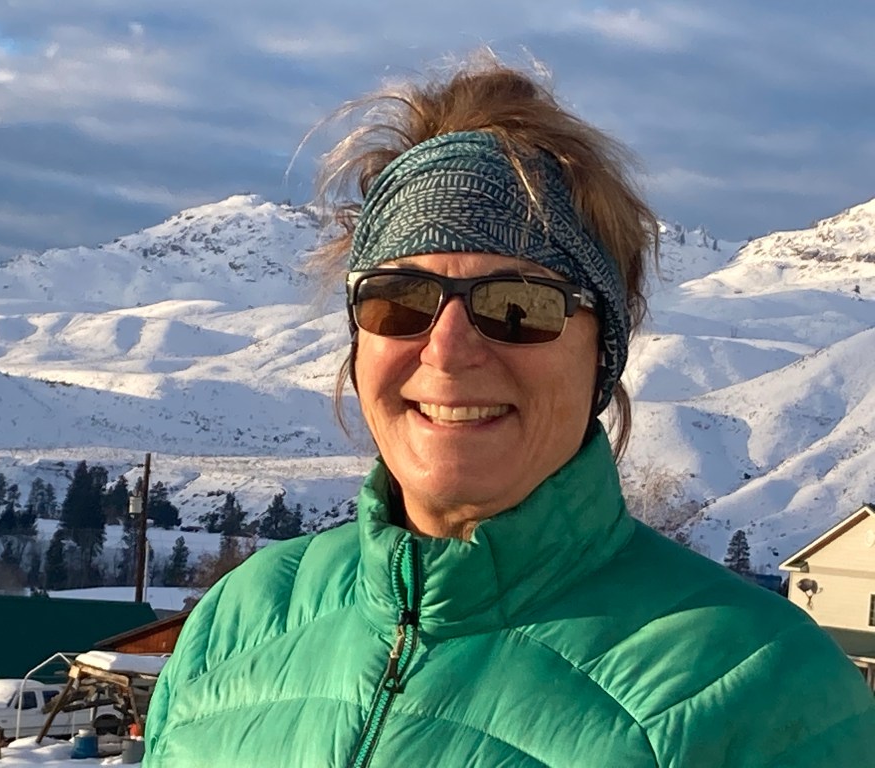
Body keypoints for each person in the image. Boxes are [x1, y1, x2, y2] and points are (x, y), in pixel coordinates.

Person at [143, 55, 875, 767]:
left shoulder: (759, 690)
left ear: (603, 356)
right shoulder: (237, 624)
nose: (447, 350)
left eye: (519, 307)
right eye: (400, 300)